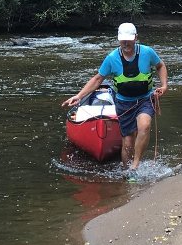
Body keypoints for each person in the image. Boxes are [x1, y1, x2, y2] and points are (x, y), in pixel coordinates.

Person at [62, 22, 167, 170]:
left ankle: (135, 166)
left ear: (136, 37)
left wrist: (164, 85)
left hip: (145, 98)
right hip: (124, 103)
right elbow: (98, 79)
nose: (125, 43)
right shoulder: (112, 58)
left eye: (129, 39)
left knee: (144, 126)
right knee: (128, 141)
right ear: (118, 39)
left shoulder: (147, 52)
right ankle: (126, 170)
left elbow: (160, 65)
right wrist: (79, 96)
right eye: (123, 40)